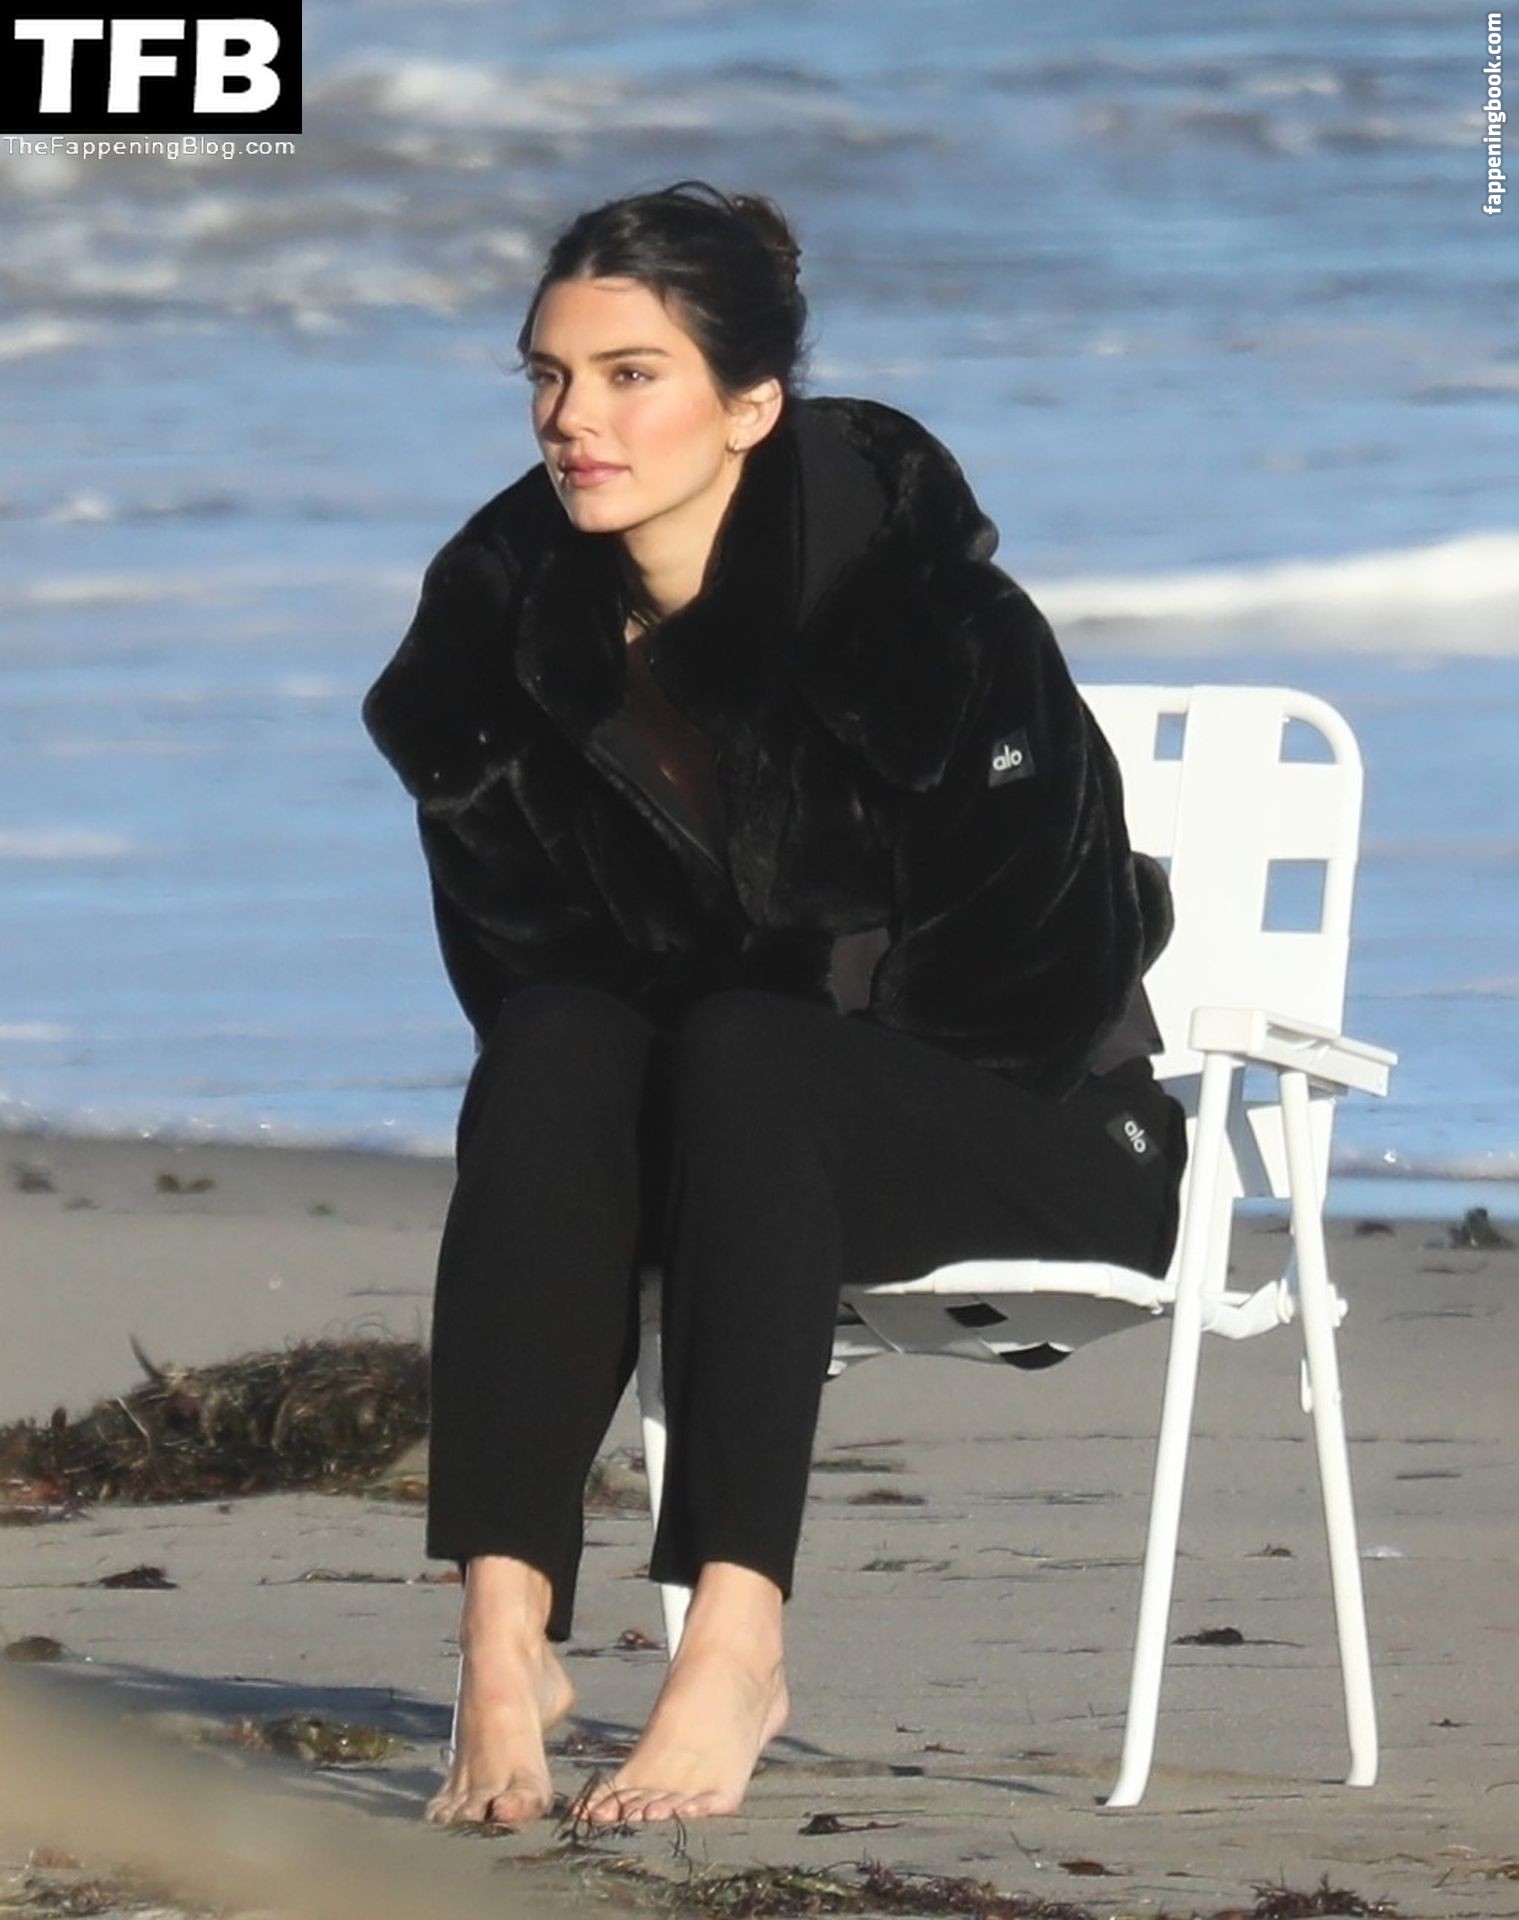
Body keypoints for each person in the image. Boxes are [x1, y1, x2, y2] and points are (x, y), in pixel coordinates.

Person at [361, 179, 1187, 1831]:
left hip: (1035, 1130)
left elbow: (1033, 977)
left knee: (745, 1048)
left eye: (630, 375)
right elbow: (523, 979)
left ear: (751, 406)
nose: (574, 419)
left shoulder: (932, 624)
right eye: (548, 377)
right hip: (729, 1139)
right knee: (554, 1041)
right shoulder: (498, 652)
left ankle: (737, 1642)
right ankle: (502, 1642)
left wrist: (753, 1026)